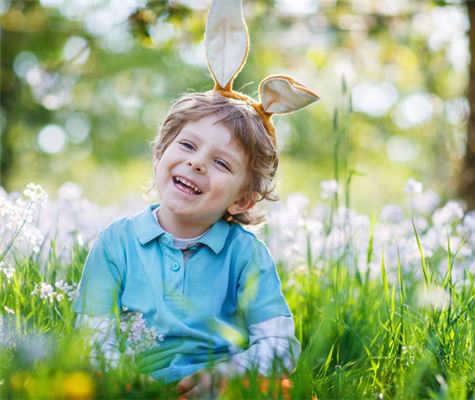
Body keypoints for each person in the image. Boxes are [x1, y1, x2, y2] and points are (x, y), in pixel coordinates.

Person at [73, 0, 319, 397]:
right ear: (159, 154)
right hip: (134, 385)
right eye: (187, 145)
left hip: (218, 387)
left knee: (284, 389)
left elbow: (279, 345)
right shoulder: (115, 243)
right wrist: (128, 380)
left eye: (221, 163)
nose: (196, 163)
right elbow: (91, 335)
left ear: (243, 200)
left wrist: (227, 373)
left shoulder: (246, 255)